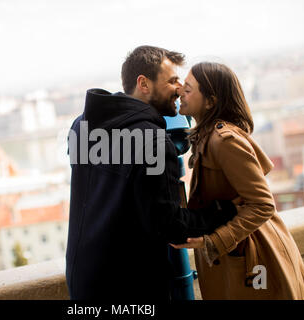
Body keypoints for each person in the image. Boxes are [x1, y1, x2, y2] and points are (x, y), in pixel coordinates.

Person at [66, 46, 237, 301]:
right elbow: (171, 226)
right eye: (172, 81)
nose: (180, 88)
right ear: (143, 84)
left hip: (84, 280)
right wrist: (224, 211)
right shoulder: (152, 141)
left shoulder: (81, 126)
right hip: (132, 286)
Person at [171, 62, 304, 299]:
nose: (179, 92)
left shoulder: (224, 140)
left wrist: (213, 241)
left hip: (255, 258)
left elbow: (263, 205)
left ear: (210, 101)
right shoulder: (209, 136)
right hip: (239, 252)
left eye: (187, 89)